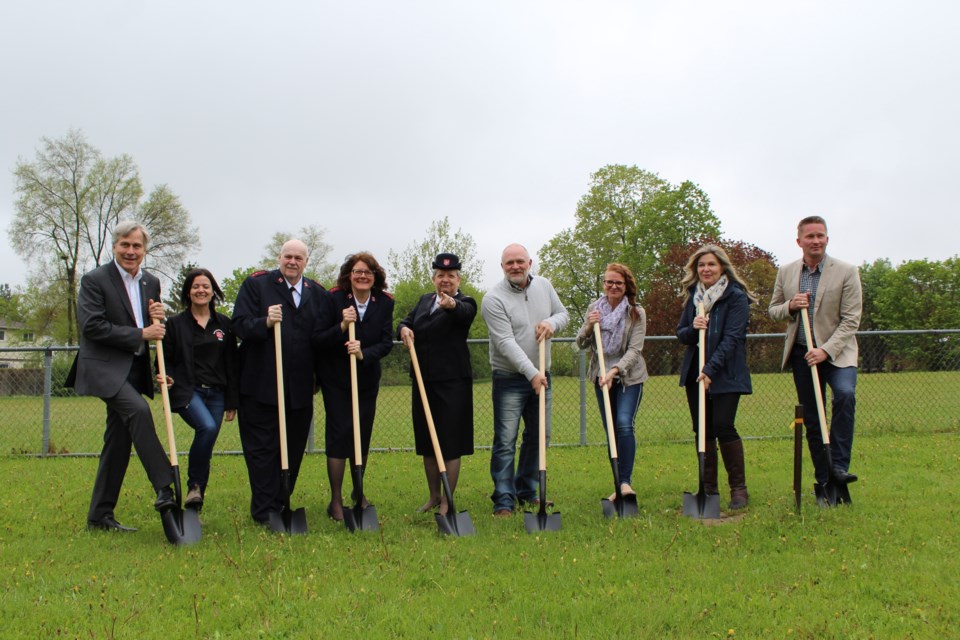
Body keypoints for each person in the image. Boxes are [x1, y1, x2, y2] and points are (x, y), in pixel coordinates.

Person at [66, 221, 176, 532]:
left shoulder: (150, 282)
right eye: (125, 245)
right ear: (114, 246)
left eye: (136, 246)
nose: (130, 251)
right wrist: (143, 332)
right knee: (138, 411)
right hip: (103, 367)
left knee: (118, 441)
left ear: (144, 249)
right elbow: (92, 326)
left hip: (133, 369)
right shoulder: (95, 280)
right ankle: (165, 486)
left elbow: (150, 326)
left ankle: (99, 517)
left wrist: (155, 322)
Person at [232, 239, 326, 525]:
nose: (292, 262)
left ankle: (281, 502)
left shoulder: (317, 293)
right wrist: (264, 323)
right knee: (262, 451)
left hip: (298, 389)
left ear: (306, 262)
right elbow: (239, 325)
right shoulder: (257, 285)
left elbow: (321, 339)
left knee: (293, 449)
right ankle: (264, 511)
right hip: (260, 386)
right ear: (279, 257)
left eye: (299, 257)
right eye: (288, 256)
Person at [769, 216, 862, 491]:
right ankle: (824, 477)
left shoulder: (846, 271)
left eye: (821, 235)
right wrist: (790, 305)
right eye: (810, 236)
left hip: (838, 353)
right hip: (802, 354)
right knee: (812, 416)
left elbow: (851, 319)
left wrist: (826, 350)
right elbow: (773, 310)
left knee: (845, 395)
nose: (816, 241)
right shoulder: (786, 272)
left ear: (827, 239)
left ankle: (839, 467)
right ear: (799, 241)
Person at [480, 243, 569, 517]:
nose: (515, 267)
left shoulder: (544, 285)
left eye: (520, 261)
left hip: (543, 374)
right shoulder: (493, 299)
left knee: (540, 436)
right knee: (506, 440)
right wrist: (532, 374)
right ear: (502, 267)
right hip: (510, 378)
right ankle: (503, 500)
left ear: (530, 262)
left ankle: (527, 491)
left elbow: (563, 314)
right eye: (510, 263)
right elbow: (505, 342)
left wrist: (551, 324)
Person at [676, 244, 756, 510]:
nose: (705, 269)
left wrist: (710, 370)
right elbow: (681, 334)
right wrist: (693, 327)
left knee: (723, 424)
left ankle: (739, 489)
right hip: (694, 374)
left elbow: (733, 338)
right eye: (701, 265)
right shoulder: (693, 297)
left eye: (711, 264)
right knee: (702, 429)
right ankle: (708, 489)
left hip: (725, 372)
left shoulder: (735, 296)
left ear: (722, 267)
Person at [316, 252, 394, 522]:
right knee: (340, 435)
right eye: (357, 271)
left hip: (366, 380)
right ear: (349, 275)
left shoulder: (384, 302)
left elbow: (386, 342)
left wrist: (364, 353)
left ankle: (358, 492)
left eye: (368, 272)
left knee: (362, 435)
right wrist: (341, 325)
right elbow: (318, 339)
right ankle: (335, 500)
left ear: (375, 277)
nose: (362, 276)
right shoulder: (334, 299)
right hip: (337, 380)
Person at [397, 253, 477, 516]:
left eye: (451, 276)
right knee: (427, 441)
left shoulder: (465, 302)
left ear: (458, 279)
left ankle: (447, 502)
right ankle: (433, 496)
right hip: (423, 381)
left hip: (453, 383)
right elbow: (406, 321)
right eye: (441, 276)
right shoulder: (424, 301)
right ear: (434, 278)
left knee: (450, 442)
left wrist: (451, 305)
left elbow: (464, 314)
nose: (445, 280)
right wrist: (403, 329)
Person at [159, 268, 239, 510]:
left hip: (217, 393)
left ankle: (195, 501)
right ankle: (195, 485)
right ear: (188, 292)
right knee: (207, 427)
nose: (201, 290)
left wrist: (231, 400)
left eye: (205, 286)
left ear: (213, 291)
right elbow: (165, 359)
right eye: (195, 286)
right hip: (188, 391)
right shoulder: (175, 324)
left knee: (207, 440)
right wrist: (166, 376)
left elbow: (232, 363)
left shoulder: (224, 324)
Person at [576, 263, 648, 501]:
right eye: (609, 282)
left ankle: (626, 483)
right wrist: (588, 325)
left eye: (619, 282)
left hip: (629, 377)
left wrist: (615, 370)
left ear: (626, 286)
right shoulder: (594, 308)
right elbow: (580, 344)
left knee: (624, 423)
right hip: (601, 376)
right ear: (603, 284)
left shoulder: (636, 312)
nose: (613, 286)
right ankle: (618, 482)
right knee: (611, 432)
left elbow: (635, 350)